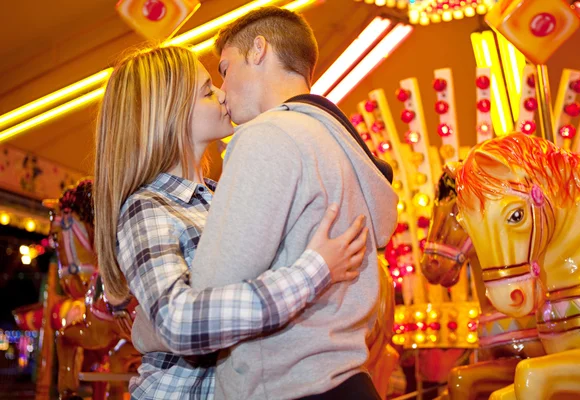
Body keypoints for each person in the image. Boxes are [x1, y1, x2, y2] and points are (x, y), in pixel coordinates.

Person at [93, 45, 370, 399]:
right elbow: (178, 321)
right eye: (208, 92)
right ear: (168, 113)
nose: (224, 96)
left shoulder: (221, 195)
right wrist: (313, 273)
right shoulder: (146, 207)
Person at [189, 6, 399, 400]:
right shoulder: (337, 143)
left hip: (285, 385)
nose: (222, 89)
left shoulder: (267, 135)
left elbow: (209, 293)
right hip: (348, 377)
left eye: (224, 68)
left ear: (258, 50)